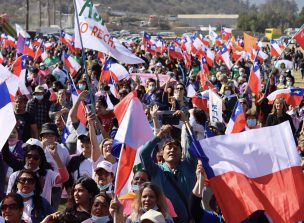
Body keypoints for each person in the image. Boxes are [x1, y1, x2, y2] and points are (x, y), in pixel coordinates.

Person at [140, 111, 197, 223]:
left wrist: (186, 122)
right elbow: (143, 154)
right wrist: (160, 134)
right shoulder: (156, 170)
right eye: (168, 147)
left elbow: (194, 145)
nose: (172, 150)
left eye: (176, 148)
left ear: (182, 153)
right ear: (162, 153)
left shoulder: (189, 165)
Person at [4, 138, 69, 205]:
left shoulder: (48, 174)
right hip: (20, 213)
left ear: (41, 160)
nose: (31, 160)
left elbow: (64, 177)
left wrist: (56, 157)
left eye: (35, 158)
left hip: (42, 213)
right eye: (28, 156)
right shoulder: (15, 175)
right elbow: (8, 199)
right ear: (25, 157)